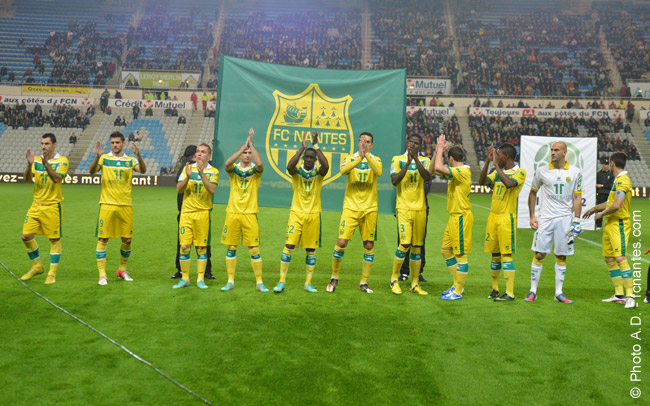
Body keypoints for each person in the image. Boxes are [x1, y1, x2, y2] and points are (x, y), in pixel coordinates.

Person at [525, 141, 583, 304]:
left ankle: (558, 293)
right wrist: (532, 216)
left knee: (561, 255)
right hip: (545, 219)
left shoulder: (575, 172)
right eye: (551, 150)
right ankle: (532, 291)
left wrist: (576, 220)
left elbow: (577, 197)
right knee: (539, 254)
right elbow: (532, 193)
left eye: (556, 150)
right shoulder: (541, 171)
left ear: (564, 152)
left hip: (565, 219)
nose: (552, 153)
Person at [273, 131, 329, 293]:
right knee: (289, 245)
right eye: (307, 157)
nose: (309, 159)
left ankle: (308, 283)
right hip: (296, 213)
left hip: (313, 215)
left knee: (310, 249)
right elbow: (289, 167)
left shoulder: (318, 173)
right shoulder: (297, 171)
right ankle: (281, 281)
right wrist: (301, 148)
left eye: (312, 157)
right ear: (303, 158)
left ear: (315, 159)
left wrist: (316, 145)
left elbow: (326, 166)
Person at [327, 132, 382, 294]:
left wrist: (367, 156)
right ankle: (334, 277)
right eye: (362, 141)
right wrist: (360, 158)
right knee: (342, 242)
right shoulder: (350, 158)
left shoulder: (376, 159)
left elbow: (379, 172)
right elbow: (343, 170)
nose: (365, 144)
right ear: (358, 142)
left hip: (369, 209)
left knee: (369, 245)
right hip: (350, 207)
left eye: (368, 142)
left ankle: (364, 282)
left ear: (372, 145)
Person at [89, 131, 146, 285]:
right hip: (107, 204)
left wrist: (139, 156)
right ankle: (102, 274)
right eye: (113, 142)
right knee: (103, 238)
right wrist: (97, 156)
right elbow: (92, 171)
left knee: (127, 239)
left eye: (117, 142)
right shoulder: (104, 158)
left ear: (123, 143)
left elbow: (143, 170)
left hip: (125, 205)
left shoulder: (130, 160)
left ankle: (122, 270)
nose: (115, 145)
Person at [583, 153, 636, 308]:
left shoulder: (623, 180)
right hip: (610, 223)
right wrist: (594, 209)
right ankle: (619, 295)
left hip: (619, 223)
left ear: (612, 163)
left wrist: (601, 214)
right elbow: (610, 202)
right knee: (609, 258)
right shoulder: (618, 180)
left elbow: (617, 205)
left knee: (620, 258)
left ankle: (630, 296)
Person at [220, 128, 268, 292]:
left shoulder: (255, 171)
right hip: (233, 212)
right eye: (245, 153)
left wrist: (251, 144)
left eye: (249, 153)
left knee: (254, 249)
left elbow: (260, 164)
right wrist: (241, 149)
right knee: (231, 248)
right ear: (240, 154)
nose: (247, 155)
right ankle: (230, 281)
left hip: (249, 213)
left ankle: (259, 282)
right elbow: (227, 164)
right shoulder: (234, 170)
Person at [478, 143, 527, 301]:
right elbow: (482, 183)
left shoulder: (520, 172)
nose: (496, 157)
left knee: (506, 254)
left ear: (506, 156)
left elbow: (509, 184)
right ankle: (495, 289)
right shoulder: (496, 172)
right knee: (495, 254)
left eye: (498, 154)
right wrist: (488, 162)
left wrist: (496, 167)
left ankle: (510, 292)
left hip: (507, 218)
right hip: (493, 217)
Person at [20, 133, 68, 284]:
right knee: (26, 236)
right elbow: (27, 179)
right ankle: (37, 266)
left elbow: (56, 179)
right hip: (36, 205)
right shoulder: (36, 161)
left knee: (54, 239)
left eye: (47, 144)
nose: (43, 146)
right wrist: (29, 165)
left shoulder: (62, 161)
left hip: (52, 206)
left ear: (54, 144)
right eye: (42, 143)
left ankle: (52, 274)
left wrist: (46, 164)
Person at [173, 143, 219, 290]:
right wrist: (187, 176)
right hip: (187, 213)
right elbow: (179, 189)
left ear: (209, 155)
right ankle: (185, 278)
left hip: (202, 213)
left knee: (201, 247)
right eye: (198, 151)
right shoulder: (187, 168)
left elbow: (212, 189)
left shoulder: (214, 171)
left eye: (203, 152)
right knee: (184, 246)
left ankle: (200, 279)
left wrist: (202, 174)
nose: (199, 154)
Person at [433, 134, 473, 300]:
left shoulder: (462, 171)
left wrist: (440, 148)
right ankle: (457, 285)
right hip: (454, 217)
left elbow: (438, 167)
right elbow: (434, 169)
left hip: (461, 216)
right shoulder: (456, 172)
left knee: (461, 255)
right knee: (446, 251)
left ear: (450, 158)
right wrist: (438, 151)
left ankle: (458, 291)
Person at [389, 134, 430, 296]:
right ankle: (394, 280)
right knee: (404, 243)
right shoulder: (397, 159)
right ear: (407, 143)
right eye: (411, 142)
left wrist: (416, 160)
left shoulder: (425, 161)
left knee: (417, 247)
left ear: (420, 146)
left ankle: (415, 283)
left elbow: (427, 177)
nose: (413, 144)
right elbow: (394, 180)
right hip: (404, 207)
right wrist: (407, 163)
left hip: (420, 208)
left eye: (416, 143)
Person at [595, 157, 614, 230]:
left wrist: (602, 186)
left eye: (607, 164)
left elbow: (612, 186)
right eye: (604, 164)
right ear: (602, 165)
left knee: (610, 210)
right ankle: (599, 225)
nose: (606, 166)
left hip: (609, 194)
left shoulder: (611, 174)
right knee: (599, 209)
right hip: (600, 194)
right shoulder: (598, 174)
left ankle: (610, 224)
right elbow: (596, 185)